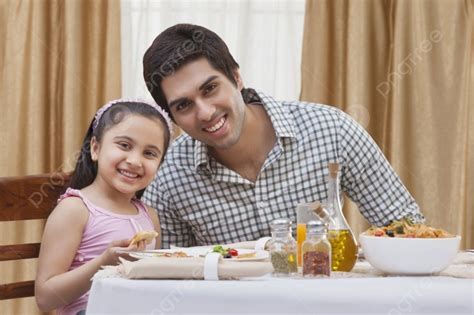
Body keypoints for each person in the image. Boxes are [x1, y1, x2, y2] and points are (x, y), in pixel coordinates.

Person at [142, 23, 424, 249]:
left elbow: (404, 226)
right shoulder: (168, 177)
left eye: (210, 88)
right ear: (172, 117)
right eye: (183, 105)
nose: (204, 112)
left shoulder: (332, 129)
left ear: (237, 78)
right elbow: (171, 272)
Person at [35, 99, 173, 315]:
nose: (135, 161)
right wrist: (104, 262)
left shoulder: (149, 216)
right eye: (124, 145)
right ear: (96, 148)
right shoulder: (75, 209)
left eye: (149, 153)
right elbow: (45, 297)